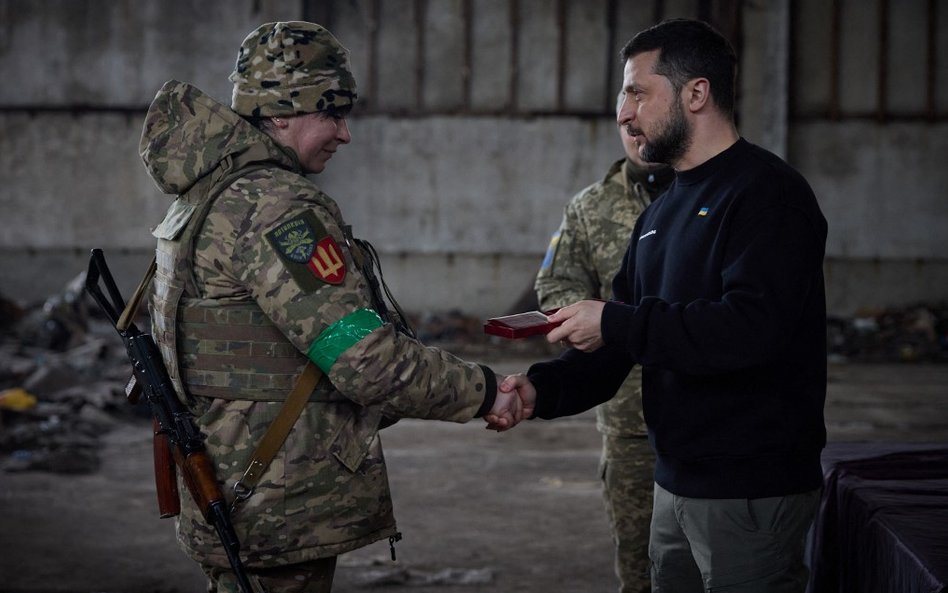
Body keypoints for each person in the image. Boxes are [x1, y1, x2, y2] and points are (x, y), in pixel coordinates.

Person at [139, 21, 522, 593]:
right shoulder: (276, 207)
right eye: (332, 113)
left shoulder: (205, 195)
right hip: (276, 499)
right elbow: (366, 359)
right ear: (283, 113)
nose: (344, 133)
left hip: (230, 484)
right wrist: (487, 391)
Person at [496, 18, 828, 593]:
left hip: (747, 487)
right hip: (673, 480)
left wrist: (617, 319)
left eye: (637, 92)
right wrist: (541, 389)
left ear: (696, 93)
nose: (623, 113)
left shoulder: (768, 195)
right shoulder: (662, 211)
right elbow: (620, 337)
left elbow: (750, 328)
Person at [534, 93, 673, 593]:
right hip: (627, 414)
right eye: (625, 127)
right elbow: (555, 284)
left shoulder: (708, 195)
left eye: (642, 123)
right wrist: (593, 315)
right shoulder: (591, 206)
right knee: (639, 563)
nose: (635, 135)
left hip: (706, 410)